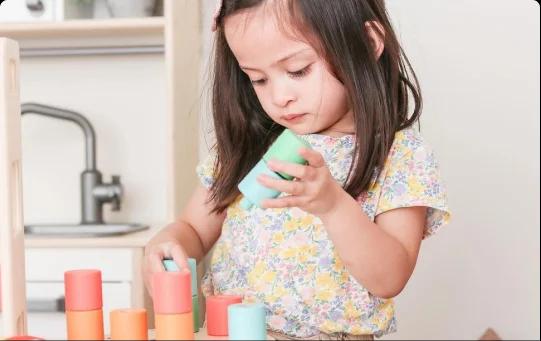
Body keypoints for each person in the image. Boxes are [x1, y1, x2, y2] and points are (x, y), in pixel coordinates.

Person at [143, 0, 451, 339]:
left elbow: (390, 277)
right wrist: (168, 242)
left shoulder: (400, 157)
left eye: (298, 70)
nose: (279, 96)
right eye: (258, 79)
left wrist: (333, 205)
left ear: (366, 44)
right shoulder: (251, 146)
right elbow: (194, 229)